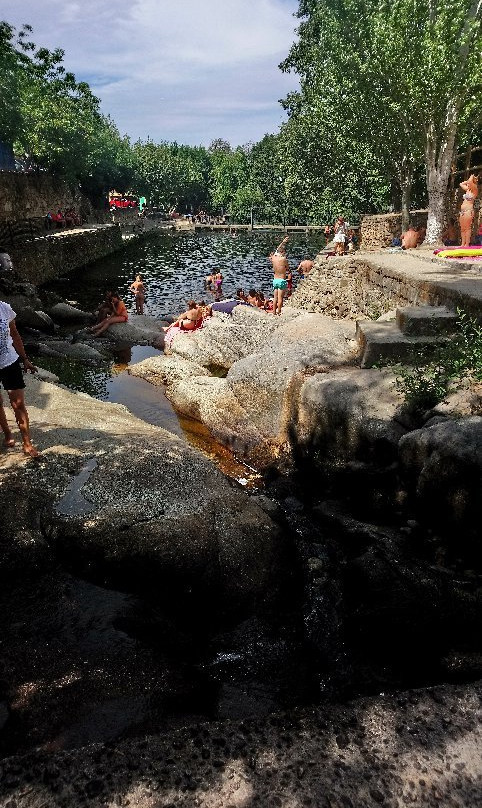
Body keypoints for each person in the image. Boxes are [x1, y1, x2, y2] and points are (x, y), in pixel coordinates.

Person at [0, 299, 40, 458]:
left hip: (9, 361)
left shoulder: (4, 308)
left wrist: (24, 359)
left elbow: (14, 333)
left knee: (18, 404)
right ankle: (8, 434)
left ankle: (27, 443)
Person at [269, 236, 289, 315]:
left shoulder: (273, 258)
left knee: (275, 298)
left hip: (275, 280)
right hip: (281, 280)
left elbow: (277, 249)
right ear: (283, 252)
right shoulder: (283, 259)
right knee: (280, 298)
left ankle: (273, 312)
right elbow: (287, 268)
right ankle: (279, 311)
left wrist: (283, 242)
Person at [459, 174, 479, 247]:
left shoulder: (475, 189)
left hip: (468, 210)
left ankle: (467, 244)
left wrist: (472, 176)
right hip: (462, 211)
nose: (467, 184)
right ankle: (462, 243)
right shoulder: (468, 190)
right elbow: (461, 184)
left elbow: (470, 182)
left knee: (467, 228)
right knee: (462, 228)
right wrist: (468, 182)